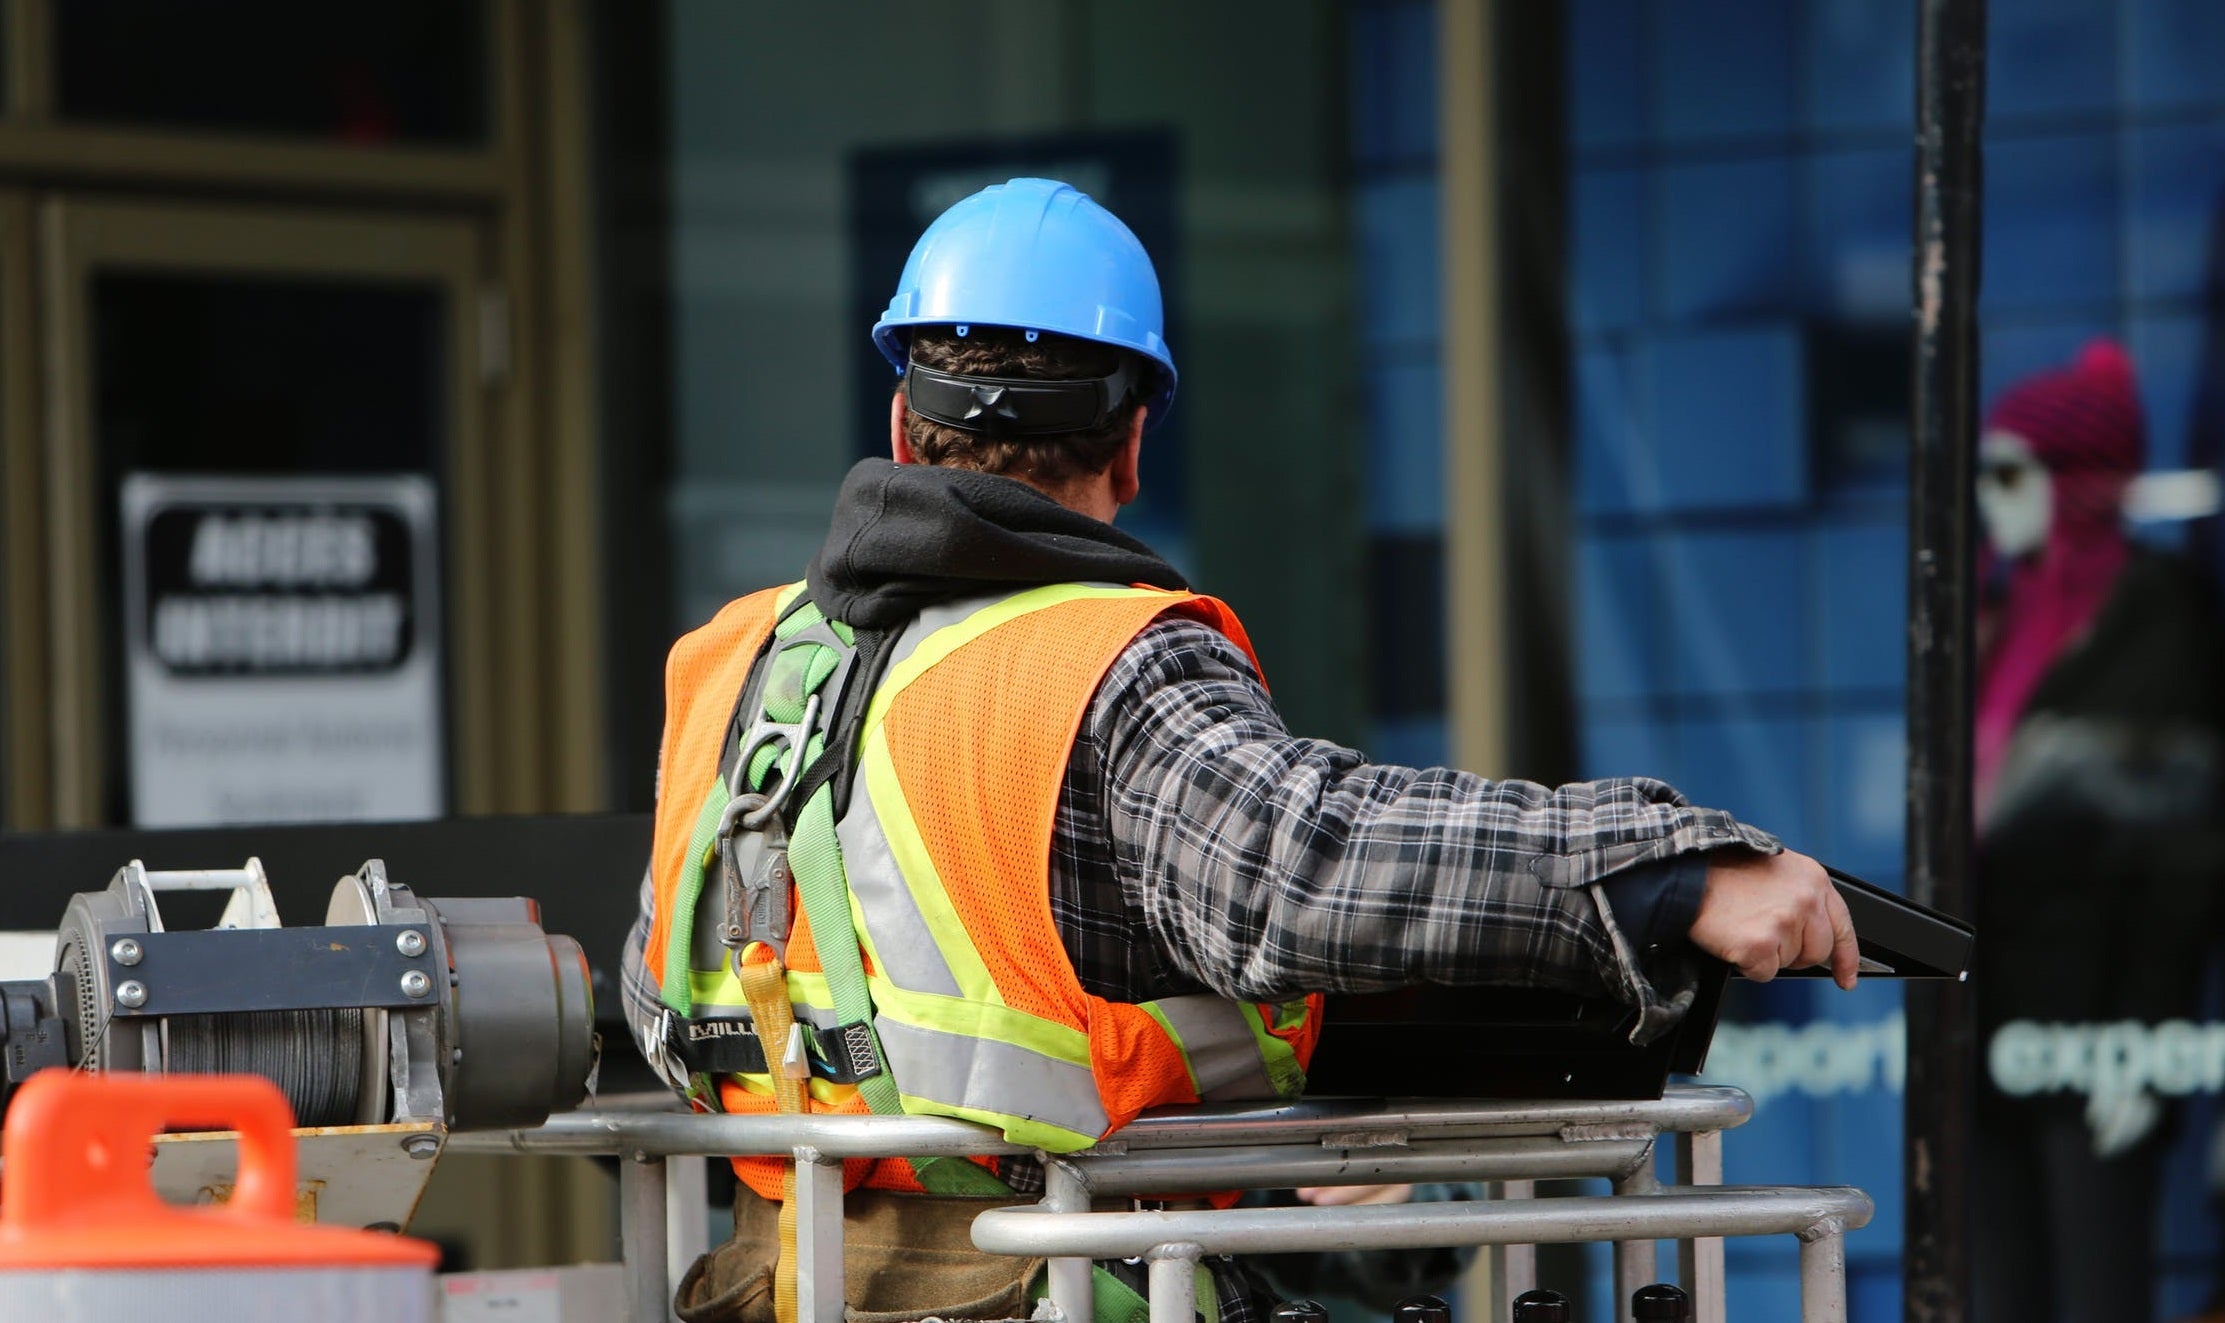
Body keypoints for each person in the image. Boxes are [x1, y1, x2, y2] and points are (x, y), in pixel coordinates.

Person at [621, 177, 1858, 1323]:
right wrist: (1666, 869)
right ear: (1132, 445)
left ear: (899, 423)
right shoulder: (1100, 662)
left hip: (789, 1282)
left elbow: (658, 984)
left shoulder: (733, 662)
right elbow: (1294, 868)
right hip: (1049, 1286)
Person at [1968, 341, 2225, 1323]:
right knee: (2000, 1290)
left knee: (2096, 1287)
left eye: (2007, 472)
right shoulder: (1992, 618)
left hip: (2096, 1028)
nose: (1990, 499)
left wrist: (2142, 1038)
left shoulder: (2154, 619)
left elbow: (2178, 857)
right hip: (1988, 1020)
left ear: (2071, 478)